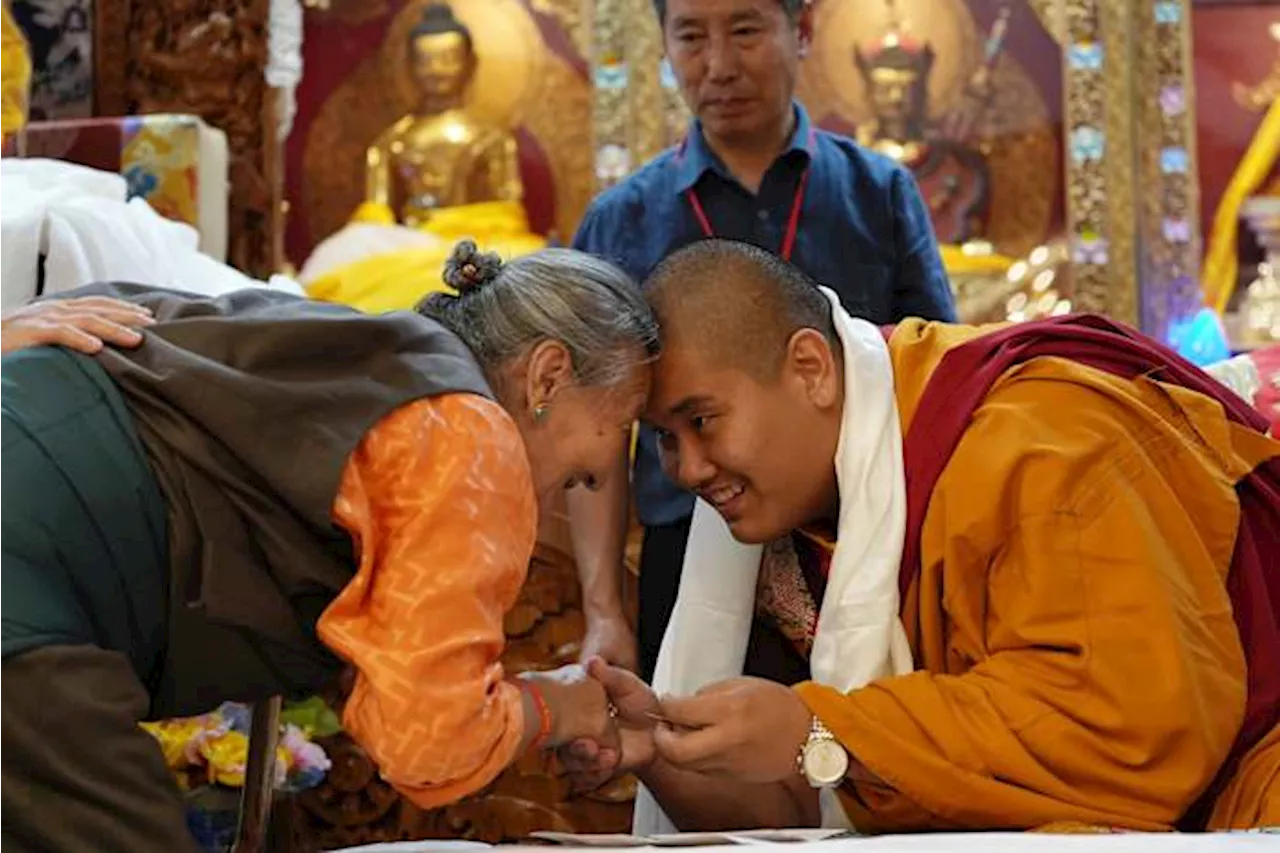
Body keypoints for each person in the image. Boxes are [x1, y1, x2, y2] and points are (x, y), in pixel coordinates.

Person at [562, 238, 1280, 833]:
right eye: (662, 439)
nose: (686, 469)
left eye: (702, 421)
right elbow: (814, 803)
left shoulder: (1049, 445)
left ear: (810, 369)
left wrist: (825, 731)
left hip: (1240, 785)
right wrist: (658, 749)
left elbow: (1118, 733)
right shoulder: (787, 520)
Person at [0, 240, 655, 852]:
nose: (605, 466)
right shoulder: (470, 435)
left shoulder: (361, 355)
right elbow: (429, 743)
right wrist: (557, 705)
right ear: (547, 375)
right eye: (620, 425)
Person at [569, 0, 957, 679]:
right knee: (700, 760)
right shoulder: (621, 219)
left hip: (862, 538)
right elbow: (593, 436)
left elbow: (936, 375)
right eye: (690, 36)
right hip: (690, 537)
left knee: (867, 756)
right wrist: (604, 607)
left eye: (745, 30)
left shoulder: (878, 192)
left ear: (801, 30)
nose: (719, 66)